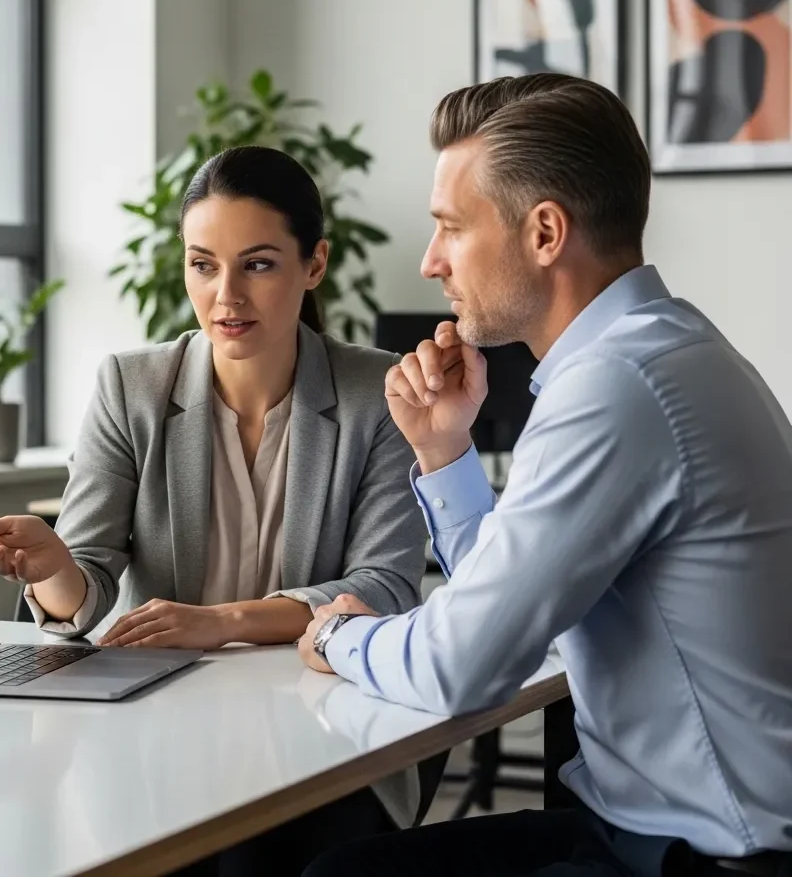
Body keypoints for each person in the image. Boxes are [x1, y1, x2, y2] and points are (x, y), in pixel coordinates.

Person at [299, 74, 792, 877]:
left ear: (545, 233)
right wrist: (443, 451)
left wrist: (335, 635)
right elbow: (518, 614)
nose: (430, 262)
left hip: (707, 857)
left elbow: (461, 666)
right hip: (647, 828)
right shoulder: (663, 350)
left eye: (451, 227)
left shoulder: (616, 387)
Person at [0, 145, 432, 874]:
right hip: (160, 732)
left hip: (326, 732)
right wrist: (56, 568)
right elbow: (87, 588)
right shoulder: (131, 388)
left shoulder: (379, 394)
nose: (226, 295)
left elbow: (386, 588)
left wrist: (223, 621)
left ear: (315, 264)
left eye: (258, 264)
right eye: (203, 264)